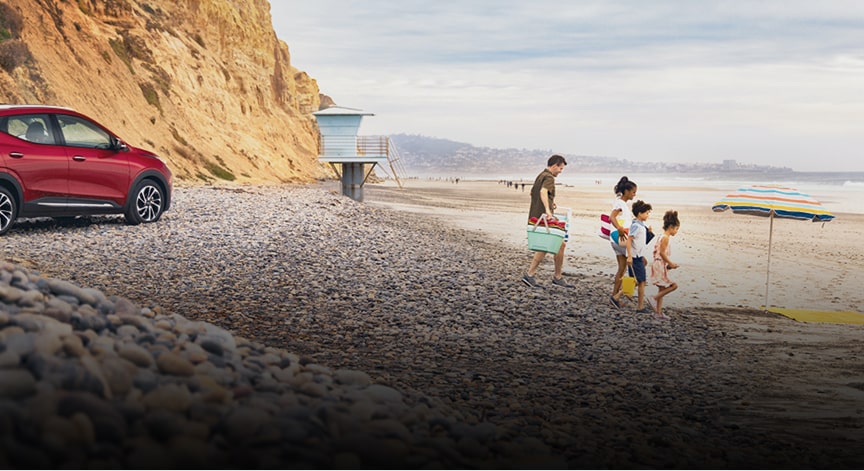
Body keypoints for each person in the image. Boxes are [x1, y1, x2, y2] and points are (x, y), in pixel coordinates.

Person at [521, 154, 571, 288]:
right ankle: (555, 277)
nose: (560, 171)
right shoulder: (549, 177)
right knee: (556, 244)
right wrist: (548, 211)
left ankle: (533, 275)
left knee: (552, 245)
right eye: (560, 168)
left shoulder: (540, 175)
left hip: (536, 216)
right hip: (543, 217)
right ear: (554, 165)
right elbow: (543, 192)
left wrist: (550, 202)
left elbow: (533, 193)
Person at [608, 177, 637, 309]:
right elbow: (612, 217)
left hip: (616, 240)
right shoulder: (620, 203)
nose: (634, 194)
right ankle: (624, 293)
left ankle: (615, 296)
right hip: (621, 239)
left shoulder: (622, 203)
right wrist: (619, 228)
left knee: (622, 268)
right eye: (633, 192)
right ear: (626, 191)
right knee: (640, 263)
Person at [649, 210, 680, 320]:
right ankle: (653, 298)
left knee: (662, 289)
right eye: (676, 229)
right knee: (673, 286)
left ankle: (658, 313)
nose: (676, 232)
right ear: (671, 227)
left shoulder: (661, 236)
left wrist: (669, 266)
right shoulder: (665, 238)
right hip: (659, 264)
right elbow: (662, 253)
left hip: (658, 264)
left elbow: (659, 253)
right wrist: (670, 263)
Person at [626, 200, 653, 313]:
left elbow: (641, 242)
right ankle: (640, 307)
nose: (648, 215)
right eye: (646, 213)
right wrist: (630, 256)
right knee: (641, 282)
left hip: (638, 256)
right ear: (639, 213)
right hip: (635, 257)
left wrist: (650, 233)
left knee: (635, 281)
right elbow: (629, 240)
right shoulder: (636, 226)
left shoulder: (641, 226)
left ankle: (618, 296)